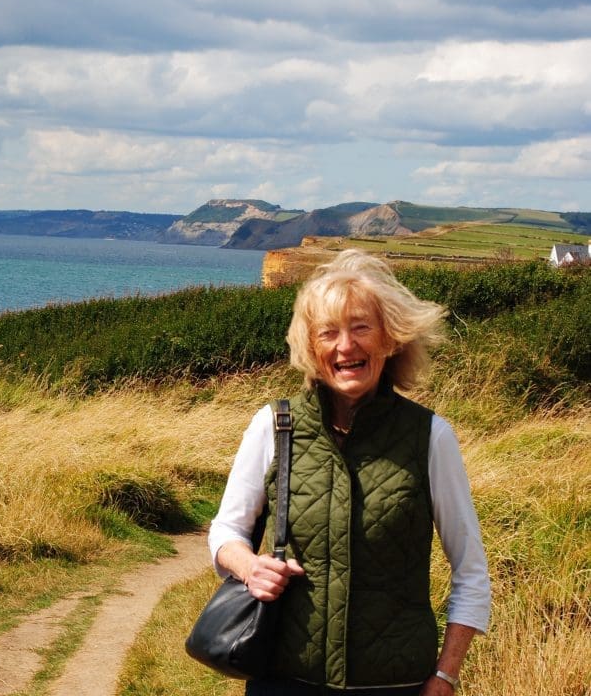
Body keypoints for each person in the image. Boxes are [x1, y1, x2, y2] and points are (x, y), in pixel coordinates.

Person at [207, 250, 490, 695]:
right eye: (329, 333)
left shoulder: (430, 436)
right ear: (310, 346)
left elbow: (471, 570)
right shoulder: (275, 426)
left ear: (390, 338)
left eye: (361, 327)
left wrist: (445, 674)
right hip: (285, 679)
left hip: (395, 685)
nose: (346, 347)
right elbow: (226, 530)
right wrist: (248, 566)